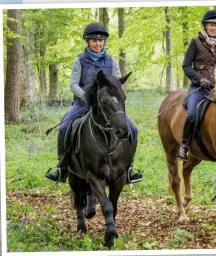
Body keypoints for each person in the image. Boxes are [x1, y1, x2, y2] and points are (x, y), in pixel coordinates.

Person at [45, 22, 143, 184]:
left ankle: (129, 168)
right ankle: (61, 168)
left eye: (101, 41)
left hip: (107, 107)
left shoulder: (111, 61)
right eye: (94, 41)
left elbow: (118, 83)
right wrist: (87, 97)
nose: (98, 43)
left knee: (133, 129)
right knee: (63, 128)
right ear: (87, 42)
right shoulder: (80, 60)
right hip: (82, 104)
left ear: (104, 42)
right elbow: (73, 84)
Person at [178, 10, 216, 161]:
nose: (213, 28)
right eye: (211, 25)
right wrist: (199, 79)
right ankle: (184, 145)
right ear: (206, 26)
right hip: (199, 88)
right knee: (192, 113)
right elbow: (186, 66)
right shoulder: (195, 42)